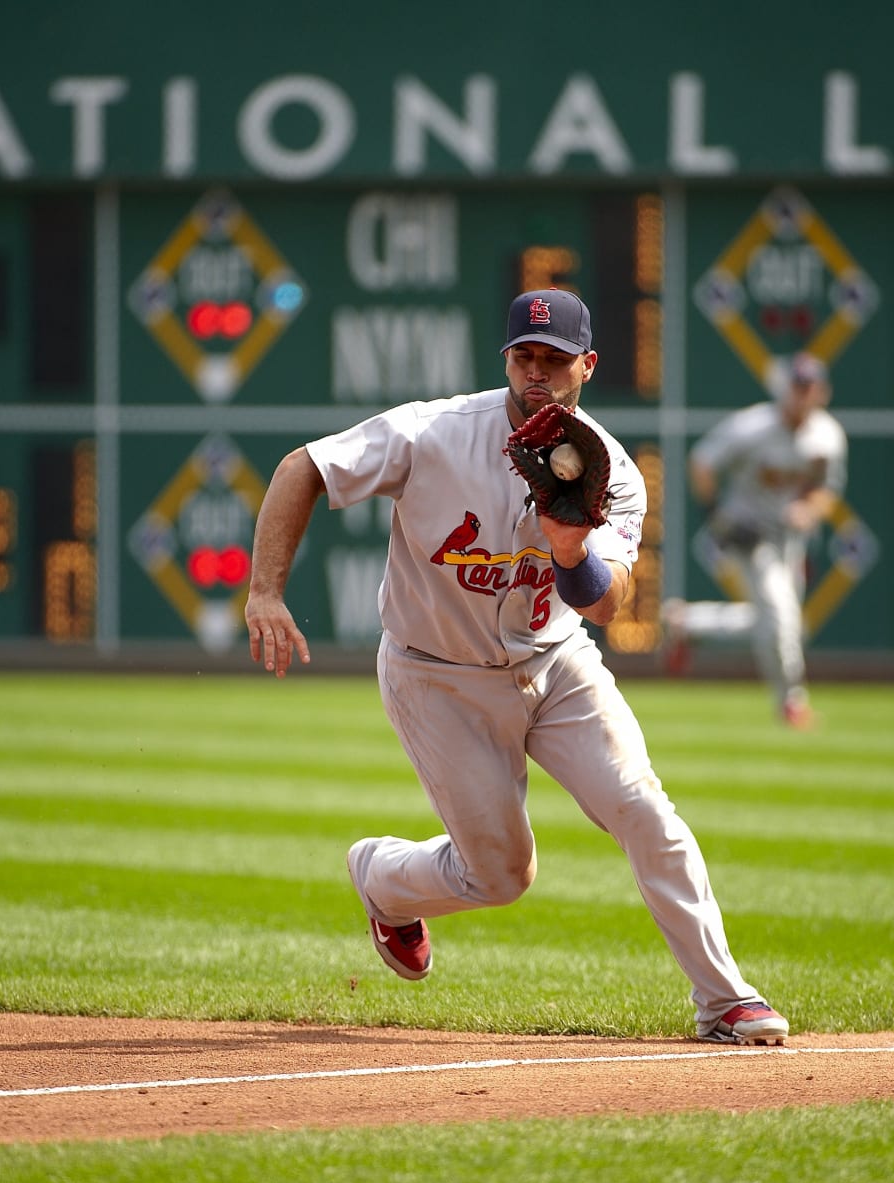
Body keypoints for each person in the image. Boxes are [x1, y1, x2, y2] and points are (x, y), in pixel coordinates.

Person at [244, 288, 789, 1046]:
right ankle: (381, 879)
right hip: (437, 675)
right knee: (502, 877)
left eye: (556, 359)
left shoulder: (612, 470)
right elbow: (303, 467)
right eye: (525, 355)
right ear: (506, 358)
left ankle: (726, 1000)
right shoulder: (433, 432)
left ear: (587, 366)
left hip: (557, 663)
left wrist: (571, 551)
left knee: (644, 811)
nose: (538, 371)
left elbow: (608, 603)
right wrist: (266, 590)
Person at [681, 351, 848, 729]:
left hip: (789, 538)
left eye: (810, 388)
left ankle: (688, 624)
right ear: (786, 388)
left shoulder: (827, 436)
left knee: (780, 624)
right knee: (782, 618)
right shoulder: (753, 426)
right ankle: (792, 702)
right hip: (749, 534)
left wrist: (809, 508)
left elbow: (826, 491)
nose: (802, 394)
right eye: (797, 386)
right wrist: (714, 516)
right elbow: (702, 462)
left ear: (822, 392)